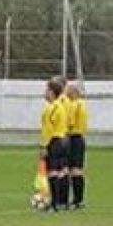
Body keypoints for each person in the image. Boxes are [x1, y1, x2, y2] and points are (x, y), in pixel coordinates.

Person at [40, 79, 70, 212]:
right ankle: (59, 202)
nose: (45, 93)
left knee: (52, 172)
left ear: (52, 92)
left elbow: (48, 130)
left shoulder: (51, 108)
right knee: (60, 171)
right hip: (63, 140)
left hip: (54, 140)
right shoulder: (61, 106)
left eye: (47, 90)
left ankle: (54, 204)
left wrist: (44, 146)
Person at [64, 83, 88, 209]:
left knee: (73, 169)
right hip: (80, 138)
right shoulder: (82, 104)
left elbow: (70, 123)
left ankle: (76, 200)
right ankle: (79, 199)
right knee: (77, 168)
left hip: (73, 138)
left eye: (67, 91)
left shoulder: (74, 105)